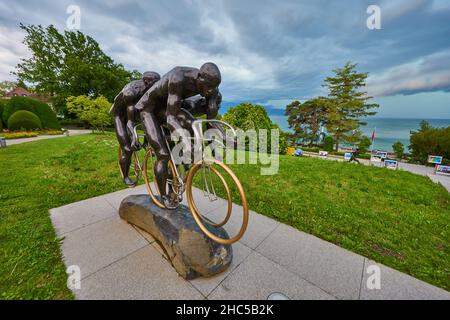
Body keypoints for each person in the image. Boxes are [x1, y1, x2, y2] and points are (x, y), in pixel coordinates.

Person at [135, 62, 222, 209]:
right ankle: (163, 196)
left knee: (190, 125)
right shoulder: (179, 77)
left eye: (213, 88)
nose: (209, 91)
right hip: (149, 109)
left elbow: (211, 122)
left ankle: (174, 187)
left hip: (168, 107)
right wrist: (185, 140)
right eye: (207, 86)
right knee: (163, 154)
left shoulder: (212, 89)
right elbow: (171, 119)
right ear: (199, 77)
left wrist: (220, 138)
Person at [110, 71, 161, 186]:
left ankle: (147, 144)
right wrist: (134, 138)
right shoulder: (131, 92)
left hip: (134, 113)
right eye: (155, 84)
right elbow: (130, 122)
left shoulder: (150, 91)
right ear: (146, 82)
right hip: (121, 117)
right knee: (128, 149)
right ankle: (126, 176)